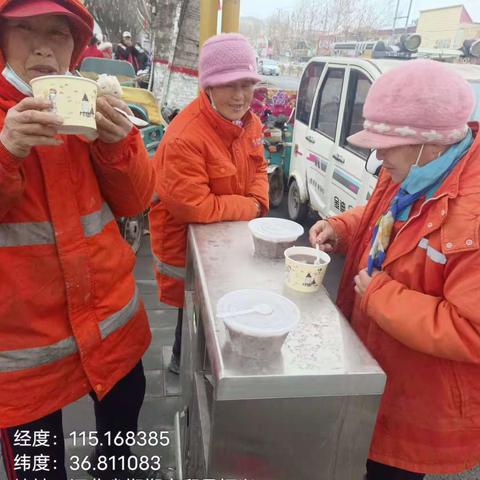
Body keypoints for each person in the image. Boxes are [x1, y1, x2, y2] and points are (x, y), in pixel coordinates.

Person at [0, 1, 155, 479]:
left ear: (76, 45)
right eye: (26, 29)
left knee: (121, 443)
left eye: (59, 32)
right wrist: (7, 151)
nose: (44, 45)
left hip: (111, 325)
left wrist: (118, 142)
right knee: (40, 466)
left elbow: (137, 199)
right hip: (26, 351)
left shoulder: (86, 101)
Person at [309, 59, 480, 479]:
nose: (376, 153)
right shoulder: (416, 168)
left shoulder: (472, 215)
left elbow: (472, 329)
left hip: (418, 405)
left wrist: (379, 296)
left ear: (433, 142)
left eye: (385, 143)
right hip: (376, 373)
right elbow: (386, 217)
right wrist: (342, 228)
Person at [149, 33, 269, 374]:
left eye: (247, 84)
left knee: (219, 308)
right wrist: (252, 208)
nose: (240, 95)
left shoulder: (250, 123)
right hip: (188, 250)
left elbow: (259, 166)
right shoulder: (185, 137)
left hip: (228, 239)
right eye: (229, 84)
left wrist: (258, 197)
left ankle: (203, 363)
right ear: (209, 87)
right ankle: (181, 365)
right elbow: (195, 208)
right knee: (192, 313)